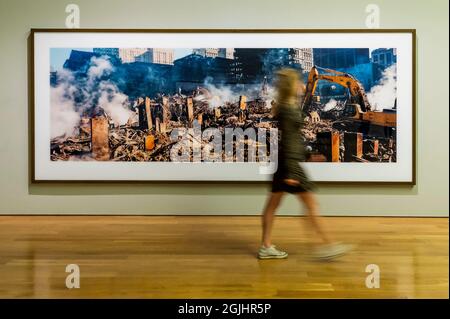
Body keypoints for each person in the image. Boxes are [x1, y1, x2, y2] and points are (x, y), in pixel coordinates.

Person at [258, 68, 352, 261]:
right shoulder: (288, 108)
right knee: (310, 205)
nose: (301, 84)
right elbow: (291, 140)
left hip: (284, 162)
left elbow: (292, 138)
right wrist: (293, 171)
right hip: (289, 165)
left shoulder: (286, 105)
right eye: (297, 82)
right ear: (290, 85)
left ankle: (266, 246)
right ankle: (326, 245)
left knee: (273, 206)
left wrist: (308, 156)